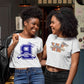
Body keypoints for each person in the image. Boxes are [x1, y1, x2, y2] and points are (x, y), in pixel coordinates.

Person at [41, 7, 80, 84]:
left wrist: (68, 83)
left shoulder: (73, 41)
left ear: (62, 23)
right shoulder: (50, 37)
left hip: (62, 77)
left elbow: (74, 65)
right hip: (47, 75)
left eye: (53, 22)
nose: (50, 25)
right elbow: (43, 56)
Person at [7, 6, 44, 84]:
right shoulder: (15, 37)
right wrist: (14, 43)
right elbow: (6, 56)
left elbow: (39, 57)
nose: (36, 27)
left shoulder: (39, 40)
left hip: (36, 73)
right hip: (20, 74)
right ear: (25, 23)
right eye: (33, 24)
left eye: (38, 25)